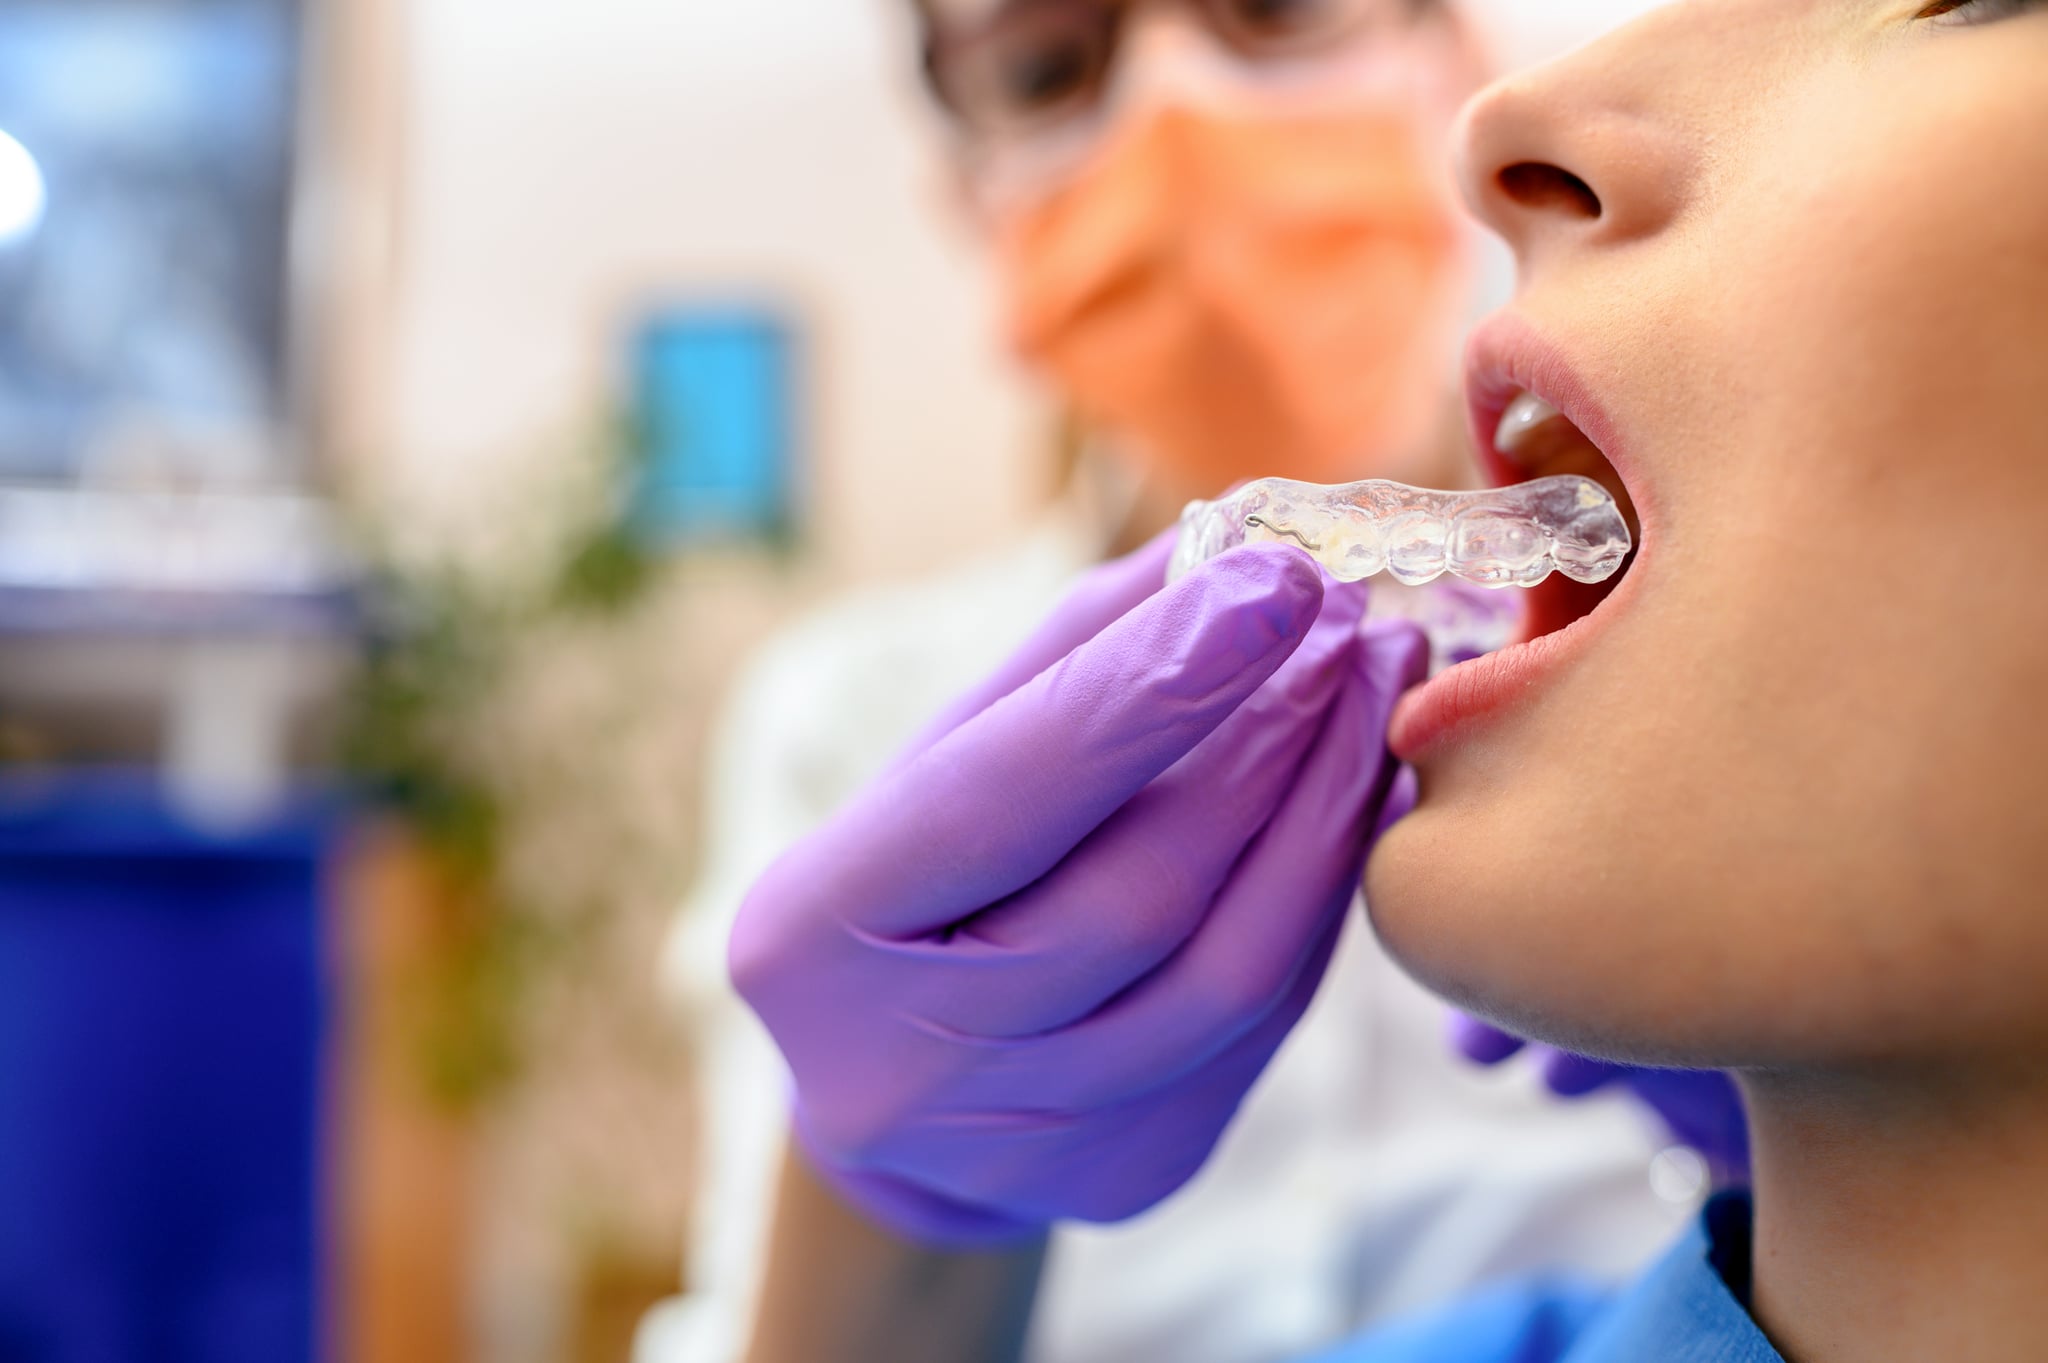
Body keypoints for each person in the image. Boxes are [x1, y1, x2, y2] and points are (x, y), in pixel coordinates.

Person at [729, 0, 2048, 1358]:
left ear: (1442, 61)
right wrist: (896, 1220)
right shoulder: (859, 709)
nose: (1520, 130)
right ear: (967, 207)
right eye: (1043, 65)